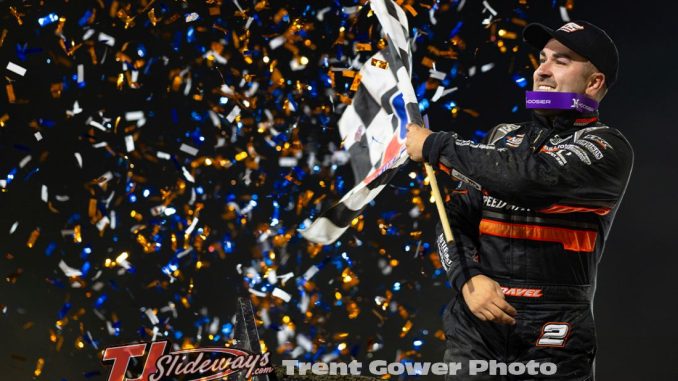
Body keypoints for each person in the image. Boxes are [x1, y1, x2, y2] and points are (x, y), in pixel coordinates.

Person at [405, 21, 633, 380]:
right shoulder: (502, 137)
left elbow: (529, 178)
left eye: (561, 61)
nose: (541, 70)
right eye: (541, 59)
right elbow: (454, 220)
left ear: (593, 83)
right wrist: (468, 280)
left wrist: (437, 146)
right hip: (476, 322)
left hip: (556, 332)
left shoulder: (608, 147)